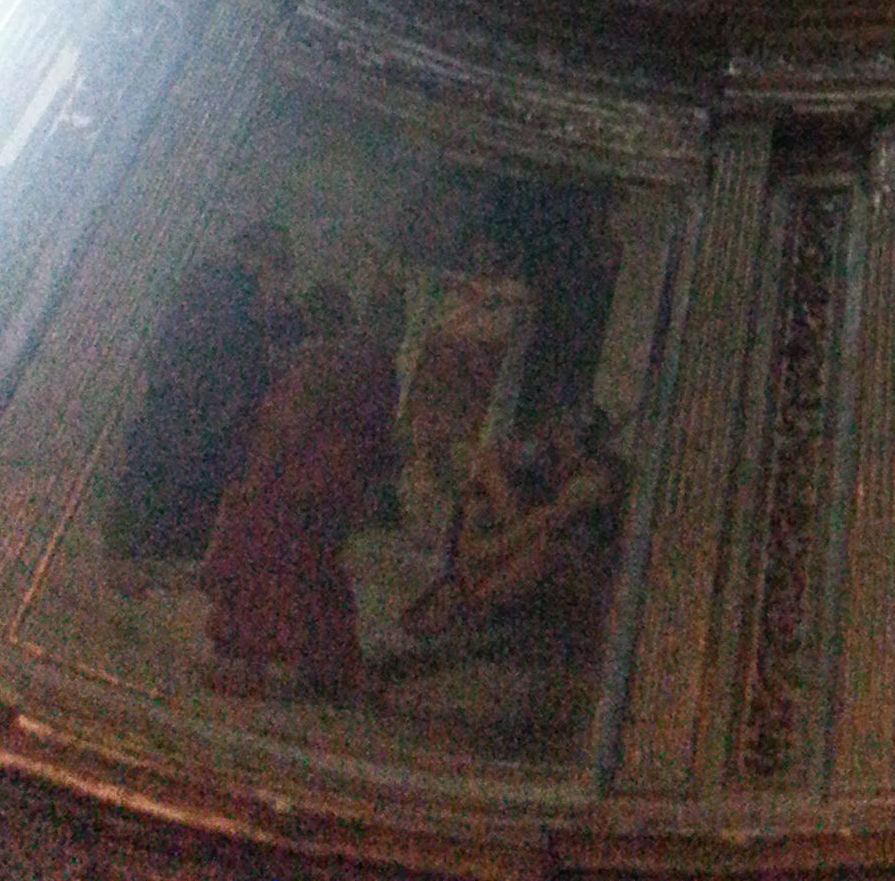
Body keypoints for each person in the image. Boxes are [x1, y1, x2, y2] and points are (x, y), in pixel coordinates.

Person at [199, 280, 397, 700]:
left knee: (267, 563)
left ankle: (254, 663)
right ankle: (328, 666)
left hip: (297, 480)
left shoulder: (316, 362)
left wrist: (255, 476)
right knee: (315, 570)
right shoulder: (367, 363)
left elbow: (288, 424)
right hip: (334, 483)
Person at [104, 222, 293, 584]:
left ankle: (135, 552)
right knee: (178, 475)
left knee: (158, 468)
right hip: (201, 401)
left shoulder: (208, 281)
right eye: (276, 269)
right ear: (264, 260)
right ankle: (148, 555)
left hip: (180, 394)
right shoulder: (237, 291)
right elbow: (238, 354)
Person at [400, 404, 622, 646]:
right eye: (439, 616)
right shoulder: (485, 600)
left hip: (532, 509)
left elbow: (481, 506)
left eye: (434, 604)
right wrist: (536, 521)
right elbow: (537, 557)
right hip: (562, 541)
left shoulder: (457, 558)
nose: (443, 604)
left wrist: (511, 512)